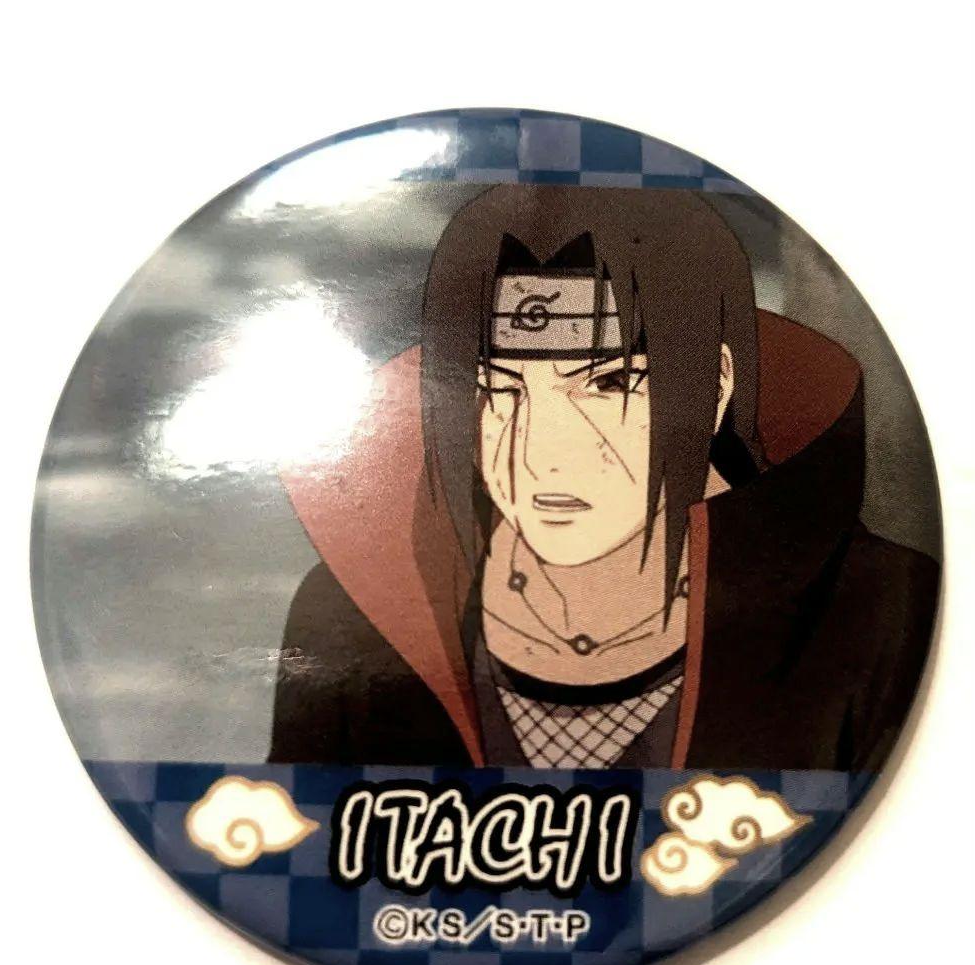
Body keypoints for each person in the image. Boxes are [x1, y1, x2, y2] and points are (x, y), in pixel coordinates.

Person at [269, 185, 937, 771]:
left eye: (611, 383)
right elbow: (303, 852)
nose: (541, 456)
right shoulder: (354, 616)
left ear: (714, 386)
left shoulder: (873, 610)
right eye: (497, 389)